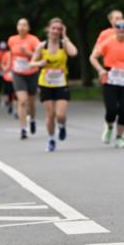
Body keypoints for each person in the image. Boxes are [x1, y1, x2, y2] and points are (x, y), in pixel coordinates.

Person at [90, 19, 124, 147]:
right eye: (118, 26)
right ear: (115, 28)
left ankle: (119, 137)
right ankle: (109, 127)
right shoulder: (108, 43)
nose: (121, 29)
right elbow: (93, 57)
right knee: (111, 109)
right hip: (110, 79)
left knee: (123, 109)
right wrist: (100, 70)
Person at [32, 18, 78, 152]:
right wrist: (39, 64)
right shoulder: (42, 46)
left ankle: (62, 126)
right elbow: (32, 63)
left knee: (60, 115)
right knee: (50, 114)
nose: (56, 31)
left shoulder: (64, 45)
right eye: (53, 28)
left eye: (59, 29)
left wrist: (66, 37)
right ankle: (51, 139)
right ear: (48, 29)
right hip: (45, 83)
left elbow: (74, 53)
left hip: (61, 83)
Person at [8, 18, 40, 140]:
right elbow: (11, 54)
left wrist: (28, 53)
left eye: (24, 25)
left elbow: (39, 56)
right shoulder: (12, 40)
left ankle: (32, 119)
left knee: (31, 103)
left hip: (32, 72)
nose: (22, 27)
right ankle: (23, 129)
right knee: (22, 101)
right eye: (19, 25)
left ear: (28, 28)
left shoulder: (33, 40)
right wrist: (10, 67)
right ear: (17, 27)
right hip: (18, 73)